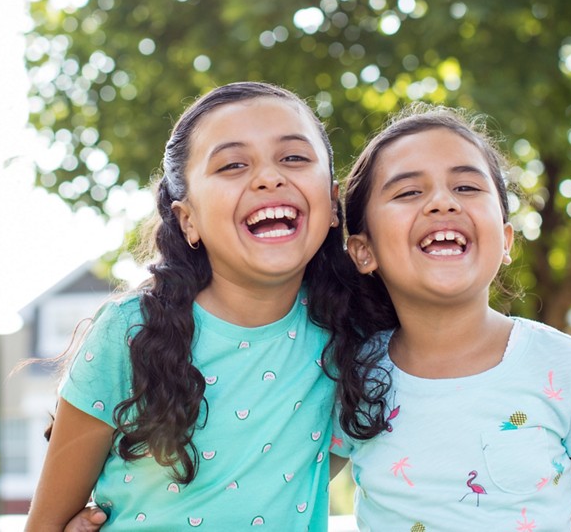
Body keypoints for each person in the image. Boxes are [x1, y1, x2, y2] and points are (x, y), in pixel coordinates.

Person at [24, 81, 373, 530]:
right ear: (187, 219)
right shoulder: (130, 332)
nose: (269, 177)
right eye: (232, 164)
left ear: (331, 203)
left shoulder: (352, 339)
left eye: (293, 157)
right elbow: (45, 525)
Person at [331, 103, 571, 532]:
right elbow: (279, 490)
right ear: (363, 251)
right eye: (408, 192)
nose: (442, 203)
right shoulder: (350, 375)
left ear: (505, 239)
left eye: (466, 187)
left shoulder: (567, 367)